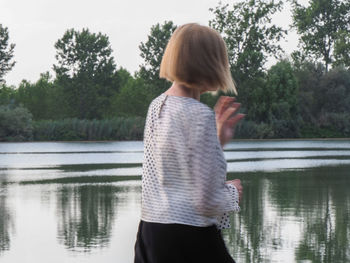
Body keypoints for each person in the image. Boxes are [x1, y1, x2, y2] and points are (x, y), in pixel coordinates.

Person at [134, 23, 244, 263]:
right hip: (188, 237)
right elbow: (205, 202)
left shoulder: (157, 106)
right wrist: (232, 193)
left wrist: (215, 141)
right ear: (210, 65)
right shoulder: (199, 114)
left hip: (152, 233)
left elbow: (175, 170)